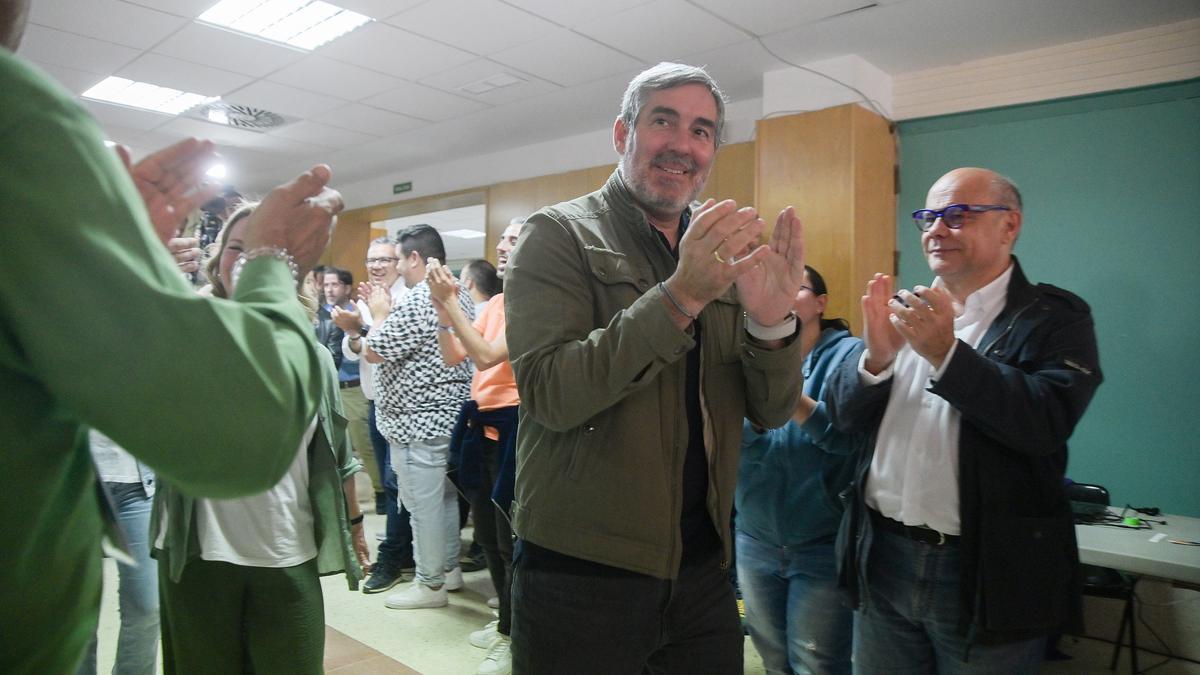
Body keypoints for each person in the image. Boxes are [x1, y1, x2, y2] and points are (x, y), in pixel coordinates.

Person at [0, 6, 343, 670]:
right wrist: (277, 262)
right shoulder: (19, 117)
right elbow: (247, 427)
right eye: (235, 251)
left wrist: (100, 259)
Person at [503, 62, 807, 673]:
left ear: (712, 152)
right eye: (662, 121)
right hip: (581, 572)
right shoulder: (557, 235)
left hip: (702, 571)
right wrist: (679, 296)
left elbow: (771, 412)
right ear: (623, 134)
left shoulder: (723, 253)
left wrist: (772, 325)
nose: (682, 144)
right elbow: (548, 394)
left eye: (702, 131)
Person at [827, 168, 1103, 673]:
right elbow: (843, 420)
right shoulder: (904, 311)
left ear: (1009, 225)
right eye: (928, 217)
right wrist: (876, 361)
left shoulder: (1055, 319)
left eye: (957, 215)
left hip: (984, 572)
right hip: (881, 556)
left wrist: (947, 356)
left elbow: (1043, 422)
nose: (936, 229)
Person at [152, 205, 369, 673]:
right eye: (237, 248)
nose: (249, 261)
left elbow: (336, 452)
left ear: (292, 270)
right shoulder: (181, 337)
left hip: (286, 554)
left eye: (267, 251)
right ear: (217, 262)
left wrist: (354, 524)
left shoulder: (313, 357)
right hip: (197, 557)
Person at [736, 265, 864, 675]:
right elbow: (732, 439)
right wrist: (757, 415)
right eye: (774, 286)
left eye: (796, 287)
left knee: (818, 662)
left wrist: (782, 386)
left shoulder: (851, 356)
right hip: (755, 539)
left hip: (822, 543)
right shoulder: (744, 352)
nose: (783, 295)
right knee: (772, 657)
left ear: (822, 304)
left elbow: (845, 437)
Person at [427, 217, 525, 675]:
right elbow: (456, 356)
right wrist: (446, 315)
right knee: (486, 533)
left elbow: (488, 355)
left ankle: (514, 636)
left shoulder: (536, 298)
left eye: (513, 237)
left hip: (517, 425)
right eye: (502, 238)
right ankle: (506, 621)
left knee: (510, 538)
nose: (502, 245)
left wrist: (451, 304)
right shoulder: (499, 300)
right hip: (481, 424)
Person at [364, 224, 475, 610]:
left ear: (415, 259)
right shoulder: (459, 295)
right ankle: (448, 571)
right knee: (443, 501)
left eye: (395, 259)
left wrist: (378, 314)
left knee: (421, 507)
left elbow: (374, 350)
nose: (392, 267)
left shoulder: (418, 299)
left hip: (417, 423)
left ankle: (430, 585)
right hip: (448, 420)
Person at [333, 237, 418, 592]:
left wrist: (362, 328)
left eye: (384, 259)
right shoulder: (368, 299)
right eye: (371, 259)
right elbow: (354, 352)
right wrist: (355, 332)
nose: (377, 265)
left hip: (403, 407)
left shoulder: (408, 298)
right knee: (390, 483)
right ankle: (406, 553)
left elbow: (387, 348)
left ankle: (394, 558)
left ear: (400, 262)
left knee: (398, 484)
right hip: (375, 403)